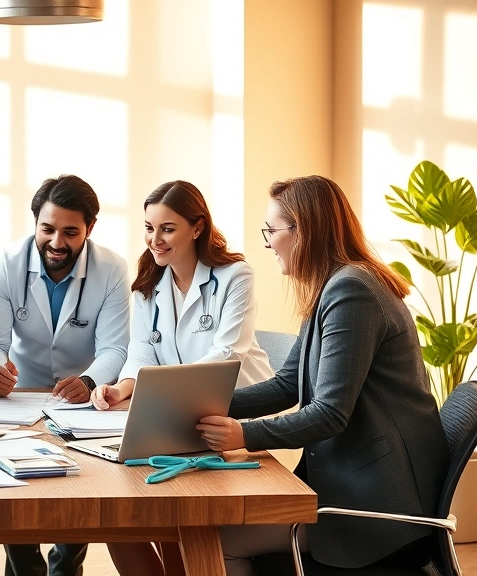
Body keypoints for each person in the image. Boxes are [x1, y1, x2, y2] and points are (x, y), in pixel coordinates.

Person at [197, 175, 448, 575]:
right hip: (352, 485)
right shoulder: (334, 286)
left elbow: (330, 413)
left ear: (304, 231)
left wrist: (243, 434)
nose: (266, 242)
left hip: (377, 509)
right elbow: (286, 385)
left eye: (271, 230)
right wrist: (193, 404)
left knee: (215, 542)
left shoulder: (352, 291)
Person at [91, 180, 275, 575]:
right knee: (115, 517)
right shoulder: (146, 287)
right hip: (179, 421)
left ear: (197, 227)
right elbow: (141, 352)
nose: (154, 239)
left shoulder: (234, 276)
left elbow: (226, 353)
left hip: (236, 421)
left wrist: (164, 395)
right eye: (148, 228)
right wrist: (121, 389)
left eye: (167, 228)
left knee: (172, 516)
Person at [0, 174, 130, 576]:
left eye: (70, 232)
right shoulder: (7, 265)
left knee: (80, 482)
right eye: (47, 229)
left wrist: (92, 381)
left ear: (90, 229)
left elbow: (115, 346)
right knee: (15, 484)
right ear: (35, 223)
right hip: (20, 395)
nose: (57, 242)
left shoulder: (112, 268)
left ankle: (66, 566)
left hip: (82, 397)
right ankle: (25, 566)